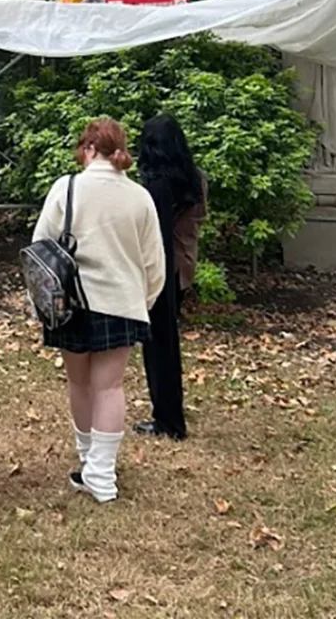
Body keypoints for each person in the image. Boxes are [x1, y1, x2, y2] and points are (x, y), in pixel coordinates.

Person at [32, 118, 165, 503]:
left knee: (80, 383)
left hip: (71, 303)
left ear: (88, 148)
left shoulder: (66, 187)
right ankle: (102, 476)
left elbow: (41, 247)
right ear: (119, 150)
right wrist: (144, 301)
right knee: (110, 387)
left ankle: (88, 459)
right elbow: (154, 262)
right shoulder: (139, 196)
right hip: (122, 303)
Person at [136, 114, 206, 440]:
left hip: (161, 270)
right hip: (182, 266)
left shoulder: (157, 186)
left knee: (159, 347)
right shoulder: (193, 179)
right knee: (166, 344)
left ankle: (167, 420)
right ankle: (168, 412)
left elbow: (153, 236)